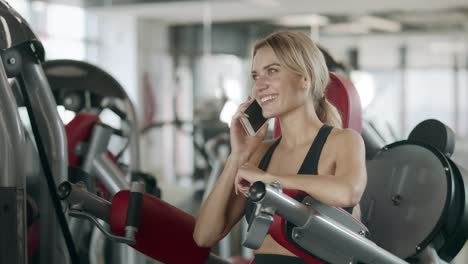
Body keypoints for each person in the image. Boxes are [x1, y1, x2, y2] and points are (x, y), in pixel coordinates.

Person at [193, 31, 367, 264]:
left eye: (272, 71)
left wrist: (269, 180)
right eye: (256, 76)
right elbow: (204, 236)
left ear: (304, 78)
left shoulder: (343, 141)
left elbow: (348, 191)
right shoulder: (260, 154)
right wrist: (239, 155)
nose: (260, 85)